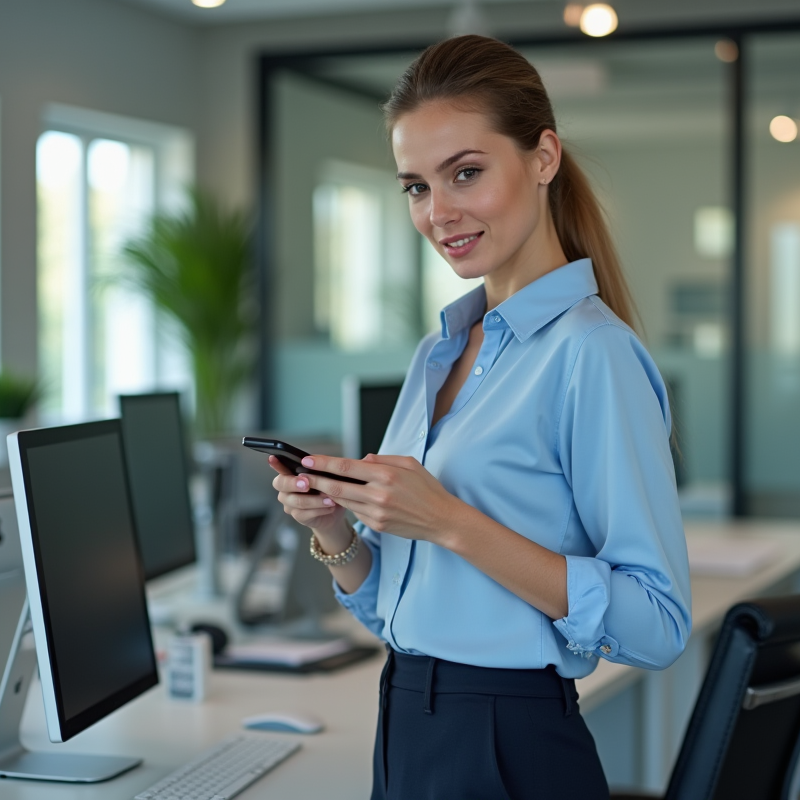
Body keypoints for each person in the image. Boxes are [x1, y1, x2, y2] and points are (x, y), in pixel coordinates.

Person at [270, 34, 691, 800]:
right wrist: (333, 528)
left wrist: (448, 521)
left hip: (507, 741)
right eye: (416, 187)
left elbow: (657, 625)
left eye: (465, 173)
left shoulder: (592, 354)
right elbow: (398, 609)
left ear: (543, 157)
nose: (439, 213)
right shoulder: (440, 351)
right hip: (409, 719)